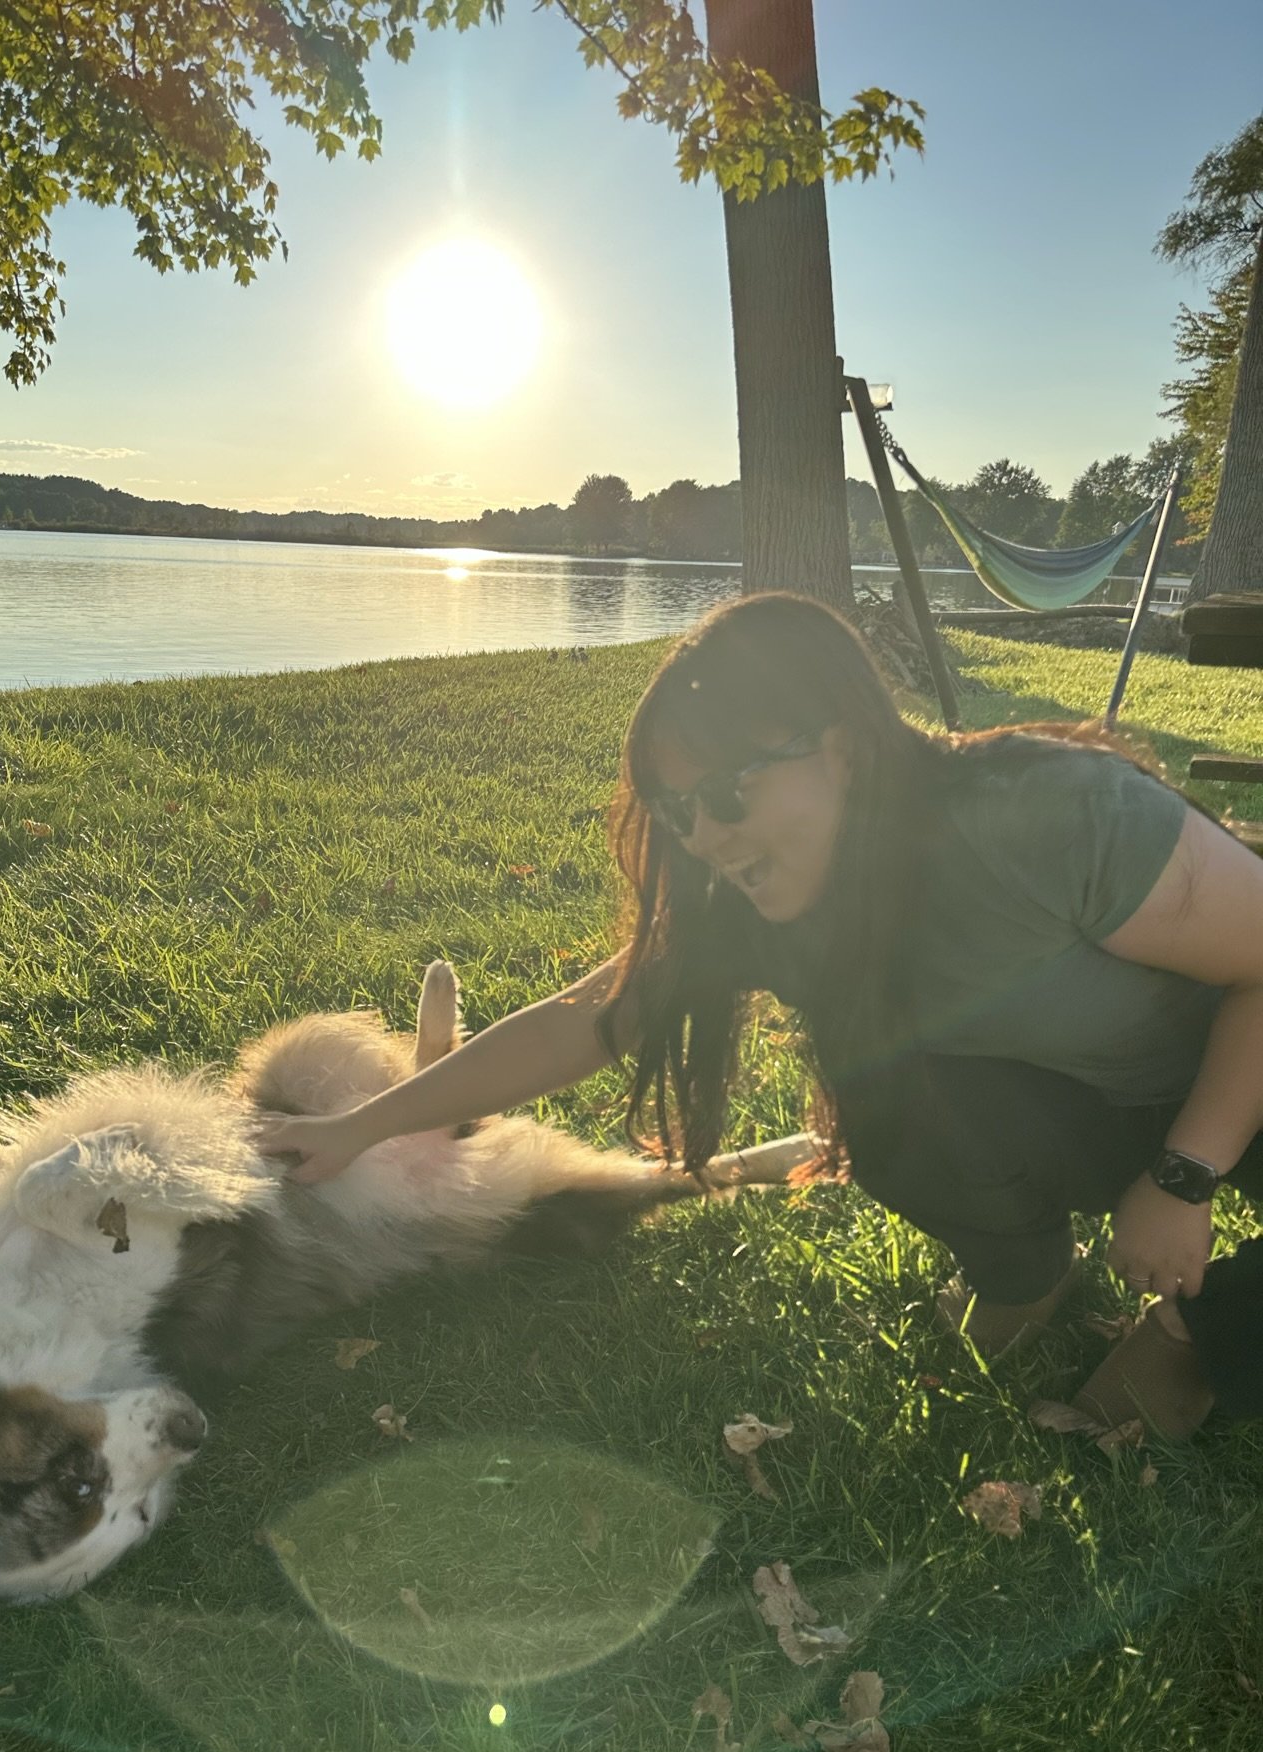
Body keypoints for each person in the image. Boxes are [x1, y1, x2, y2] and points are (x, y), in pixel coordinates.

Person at [256, 593, 1263, 1439]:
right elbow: (585, 1018)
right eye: (677, 806)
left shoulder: (1050, 815)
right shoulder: (762, 899)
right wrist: (358, 1127)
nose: (701, 835)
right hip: (1118, 1098)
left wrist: (1186, 1172)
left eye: (728, 790)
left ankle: (1198, 1331)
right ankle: (1028, 1278)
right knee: (884, 1093)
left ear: (845, 752)